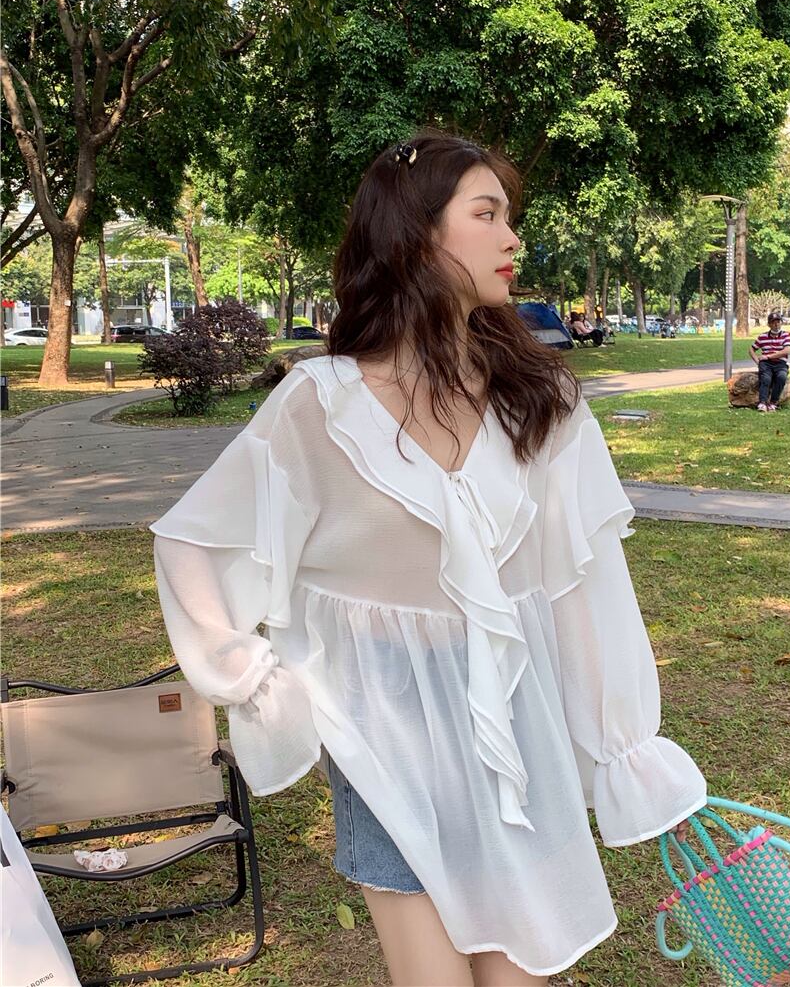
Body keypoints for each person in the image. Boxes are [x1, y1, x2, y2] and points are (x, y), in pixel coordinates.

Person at [150, 131, 705, 987]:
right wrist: (246, 672)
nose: (513, 238)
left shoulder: (543, 400)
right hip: (382, 740)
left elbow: (586, 584)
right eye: (487, 214)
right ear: (414, 234)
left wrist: (621, 745)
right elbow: (195, 537)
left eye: (509, 216)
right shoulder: (321, 404)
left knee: (521, 974)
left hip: (518, 733)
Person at [749, 311, 790, 412]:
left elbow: (786, 351)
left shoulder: (786, 335)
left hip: (780, 363)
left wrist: (768, 356)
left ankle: (773, 402)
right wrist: (757, 361)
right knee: (766, 379)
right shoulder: (762, 336)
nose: (776, 324)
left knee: (781, 377)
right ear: (769, 324)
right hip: (766, 364)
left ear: (781, 323)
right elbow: (751, 349)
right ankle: (762, 403)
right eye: (773, 322)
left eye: (778, 322)